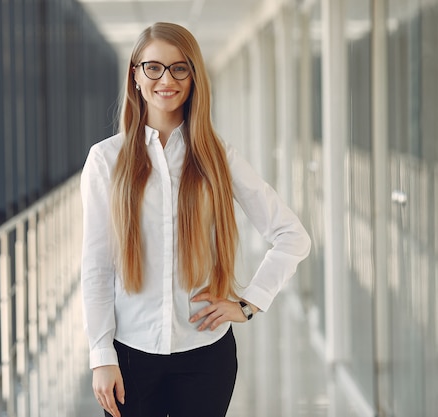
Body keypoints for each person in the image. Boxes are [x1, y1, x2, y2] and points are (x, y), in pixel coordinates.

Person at [80, 22, 311, 417]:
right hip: (131, 357)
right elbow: (97, 267)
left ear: (193, 77)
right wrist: (101, 354)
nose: (166, 79)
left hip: (206, 358)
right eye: (153, 67)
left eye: (179, 68)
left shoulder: (220, 156)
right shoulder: (106, 160)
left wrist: (250, 304)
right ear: (135, 74)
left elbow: (292, 235)